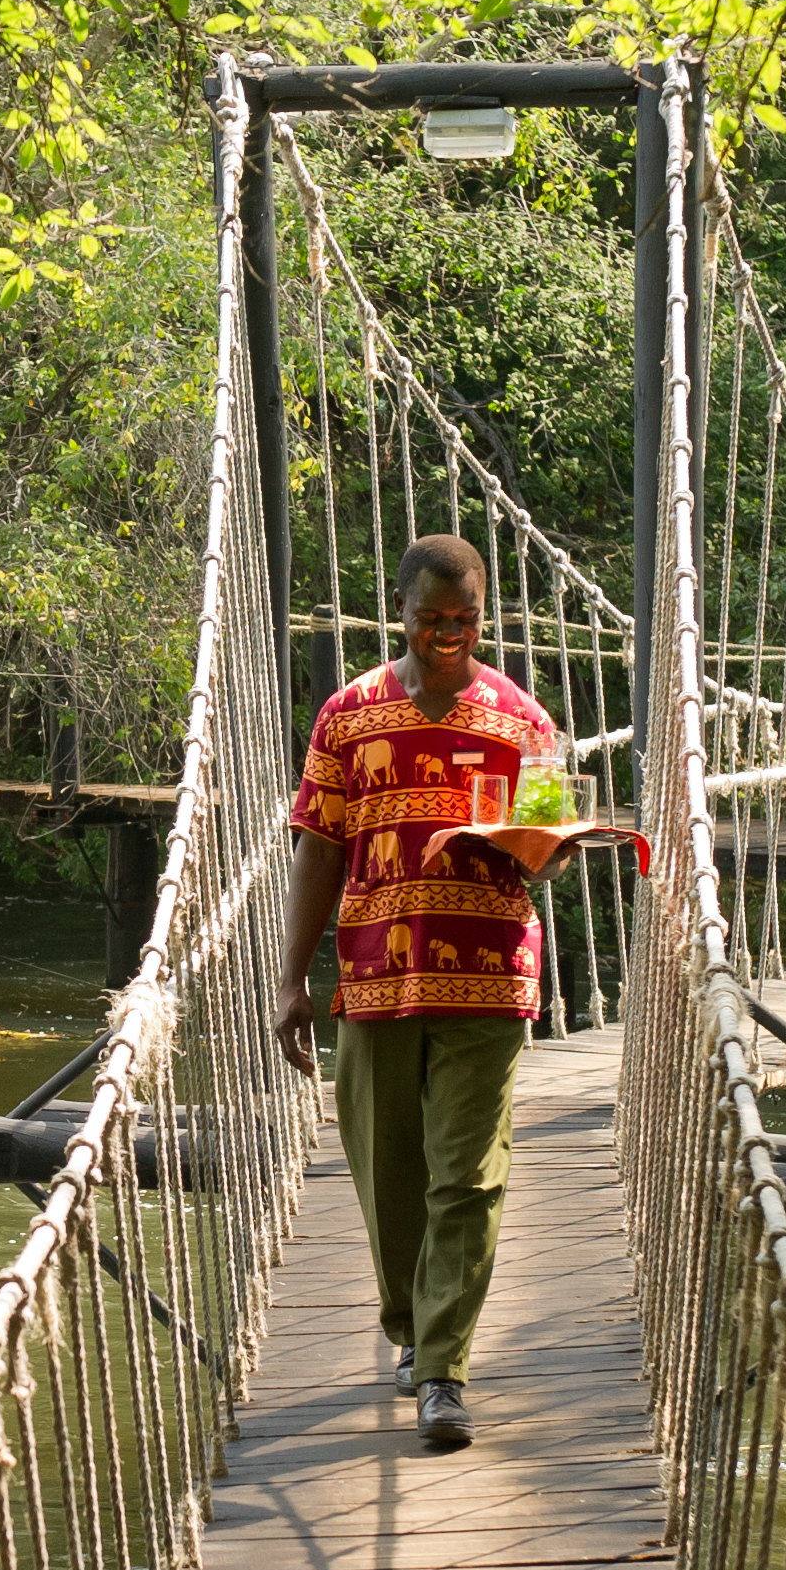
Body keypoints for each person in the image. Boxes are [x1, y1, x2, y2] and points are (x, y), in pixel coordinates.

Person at [274, 533, 560, 1452]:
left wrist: (534, 844)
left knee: (467, 1180)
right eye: (432, 618)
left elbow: (546, 858)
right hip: (376, 976)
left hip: (489, 975)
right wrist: (290, 977)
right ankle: (412, 1324)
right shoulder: (347, 715)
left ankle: (442, 1370)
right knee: (389, 1179)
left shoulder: (525, 722)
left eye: (466, 620)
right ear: (399, 609)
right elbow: (319, 846)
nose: (449, 634)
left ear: (485, 612)